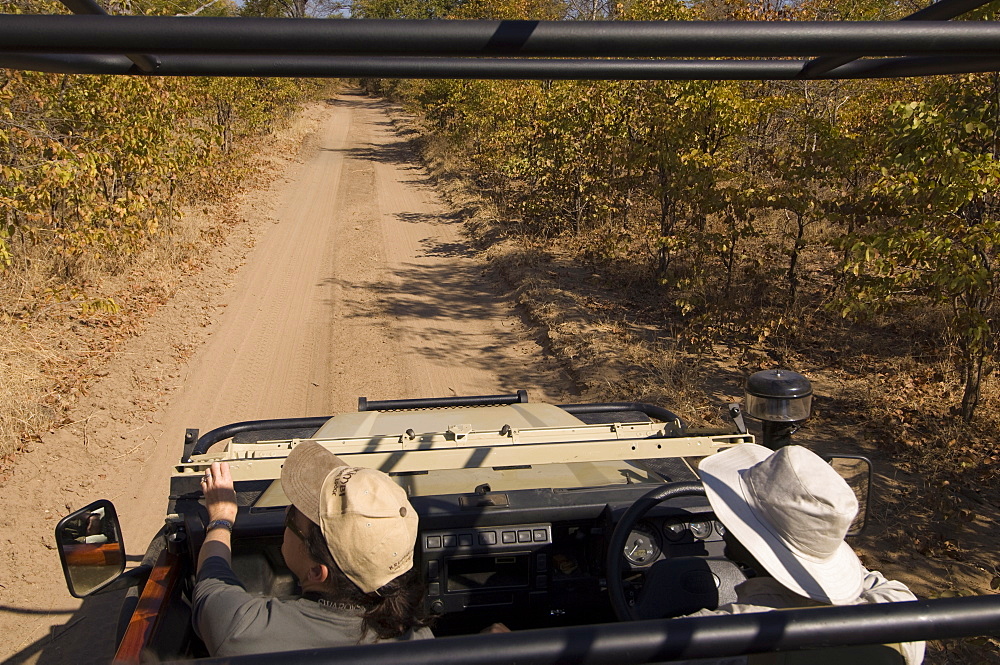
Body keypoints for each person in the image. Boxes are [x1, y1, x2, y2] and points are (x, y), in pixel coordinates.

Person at [689, 443, 924, 665]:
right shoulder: (902, 616)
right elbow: (869, 582)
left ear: (747, 531)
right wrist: (818, 539)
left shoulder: (715, 634)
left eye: (731, 510)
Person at [193, 441, 434, 657]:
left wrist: (221, 519)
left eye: (293, 517)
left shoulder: (244, 629)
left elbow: (211, 582)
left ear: (317, 572)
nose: (288, 511)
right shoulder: (422, 644)